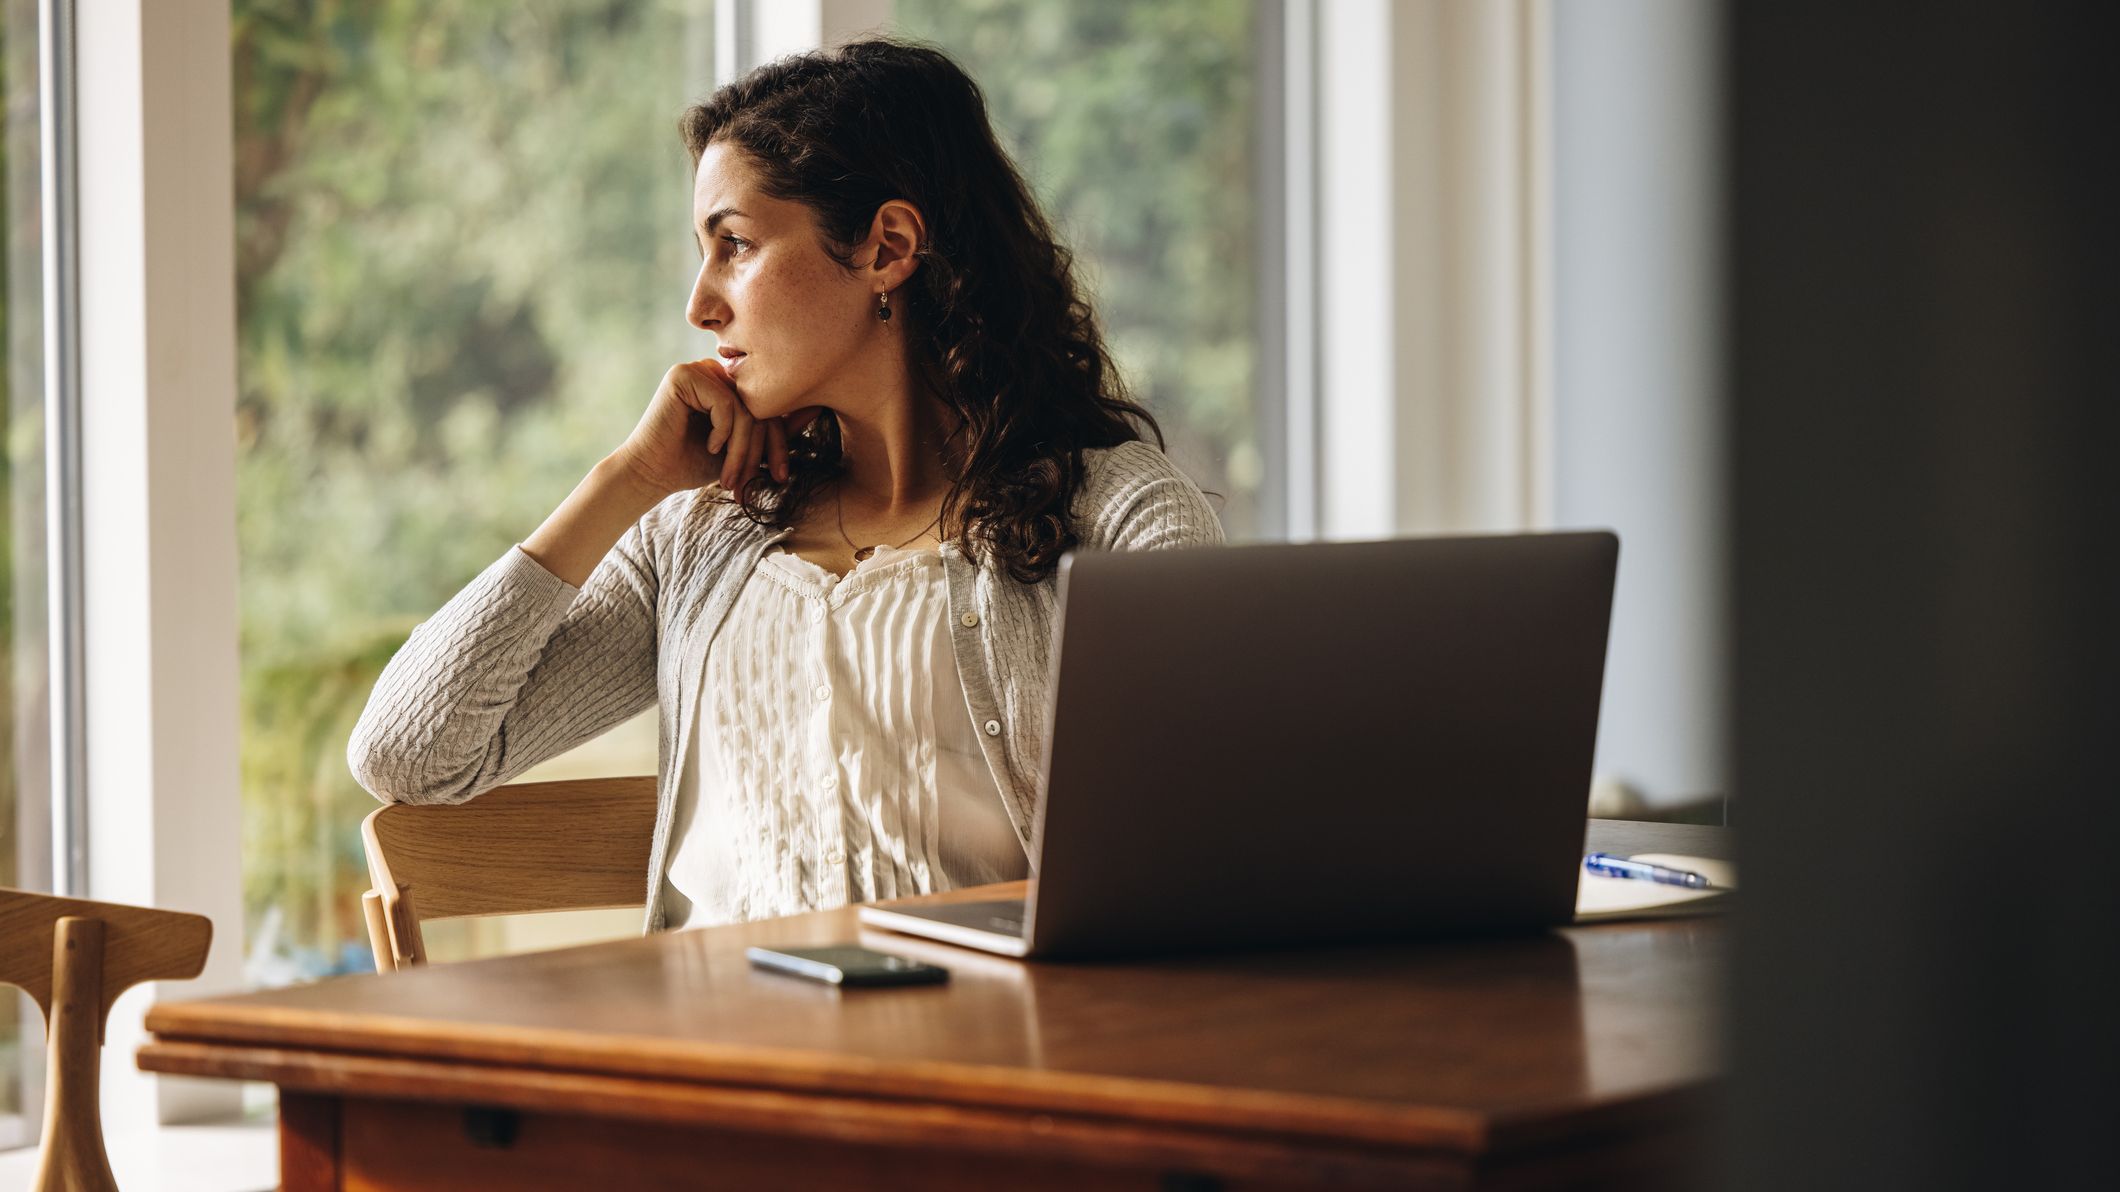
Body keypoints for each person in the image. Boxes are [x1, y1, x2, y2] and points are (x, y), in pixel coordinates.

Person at [346, 38, 1223, 933]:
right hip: (718, 1021)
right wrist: (628, 479)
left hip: (997, 1021)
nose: (700, 305)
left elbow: (1205, 838)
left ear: (888, 246)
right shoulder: (697, 541)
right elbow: (409, 754)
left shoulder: (1114, 517)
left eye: (734, 245)